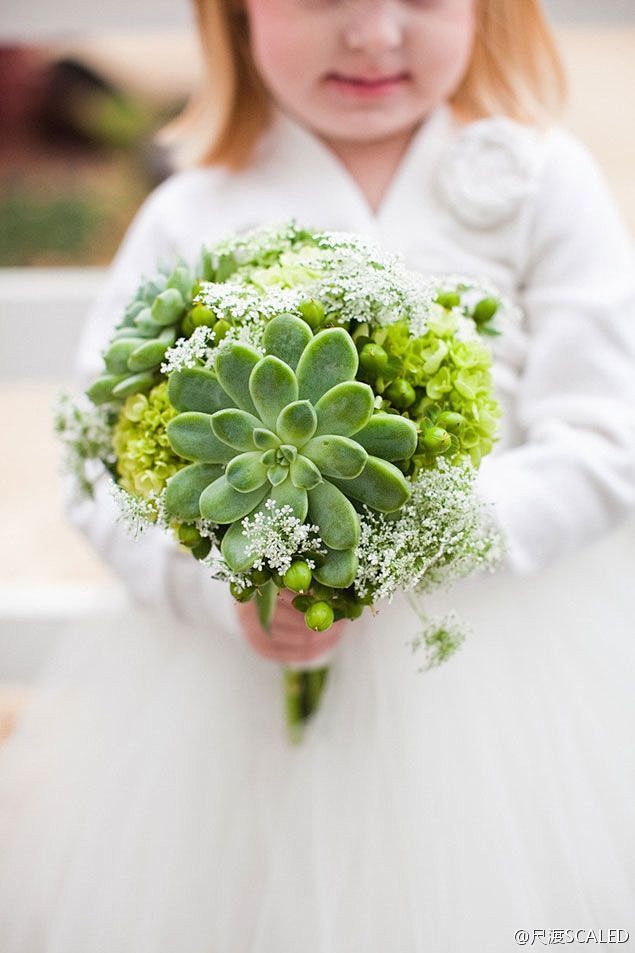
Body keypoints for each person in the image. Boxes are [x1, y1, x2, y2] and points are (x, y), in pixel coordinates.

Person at [1, 1, 634, 950]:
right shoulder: (194, 206)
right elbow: (102, 465)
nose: (373, 33)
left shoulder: (538, 181)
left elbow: (603, 436)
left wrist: (401, 541)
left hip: (494, 683)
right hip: (236, 695)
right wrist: (224, 597)